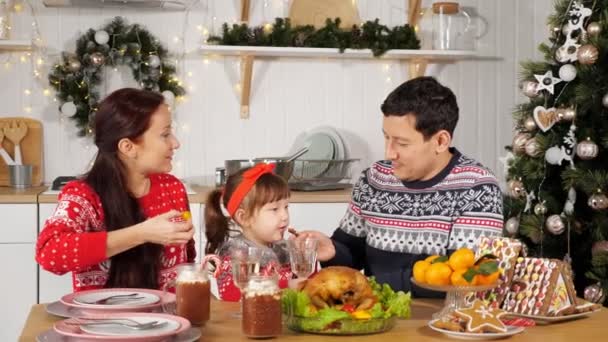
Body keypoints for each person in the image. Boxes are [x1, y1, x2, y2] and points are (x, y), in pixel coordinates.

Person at [295, 76, 503, 295]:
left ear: (441, 141)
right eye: (386, 137)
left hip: (441, 323)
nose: (389, 152)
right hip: (376, 316)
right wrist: (332, 250)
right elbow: (352, 256)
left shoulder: (478, 187)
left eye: (402, 143)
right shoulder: (374, 179)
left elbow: (462, 278)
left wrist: (369, 286)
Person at [35, 88, 195, 291]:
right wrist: (142, 233)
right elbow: (49, 254)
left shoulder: (172, 188)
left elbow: (189, 261)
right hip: (103, 322)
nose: (175, 143)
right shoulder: (82, 196)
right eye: (165, 134)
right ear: (128, 147)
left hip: (170, 321)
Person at [205, 163, 292, 301]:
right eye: (275, 209)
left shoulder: (283, 248)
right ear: (243, 217)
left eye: (286, 207)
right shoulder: (235, 255)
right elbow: (234, 298)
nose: (285, 216)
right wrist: (289, 286)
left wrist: (307, 257)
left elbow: (306, 287)